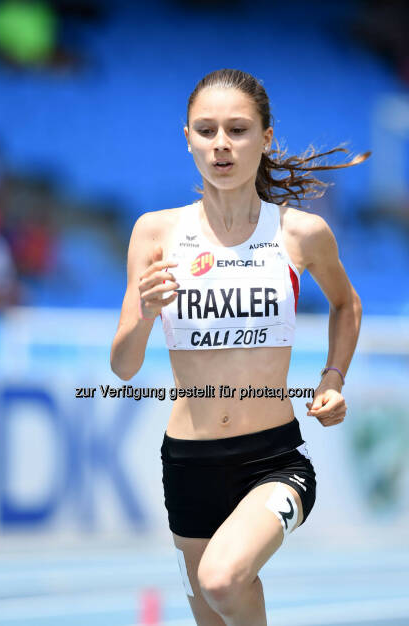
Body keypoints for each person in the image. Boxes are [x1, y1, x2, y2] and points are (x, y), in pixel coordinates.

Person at [110, 69, 367, 626]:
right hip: (188, 463)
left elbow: (347, 304)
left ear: (266, 137)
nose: (221, 144)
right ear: (187, 139)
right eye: (206, 130)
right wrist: (146, 314)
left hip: (273, 460)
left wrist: (333, 377)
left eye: (237, 129)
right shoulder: (154, 233)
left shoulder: (300, 233)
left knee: (223, 579)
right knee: (214, 615)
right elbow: (124, 366)